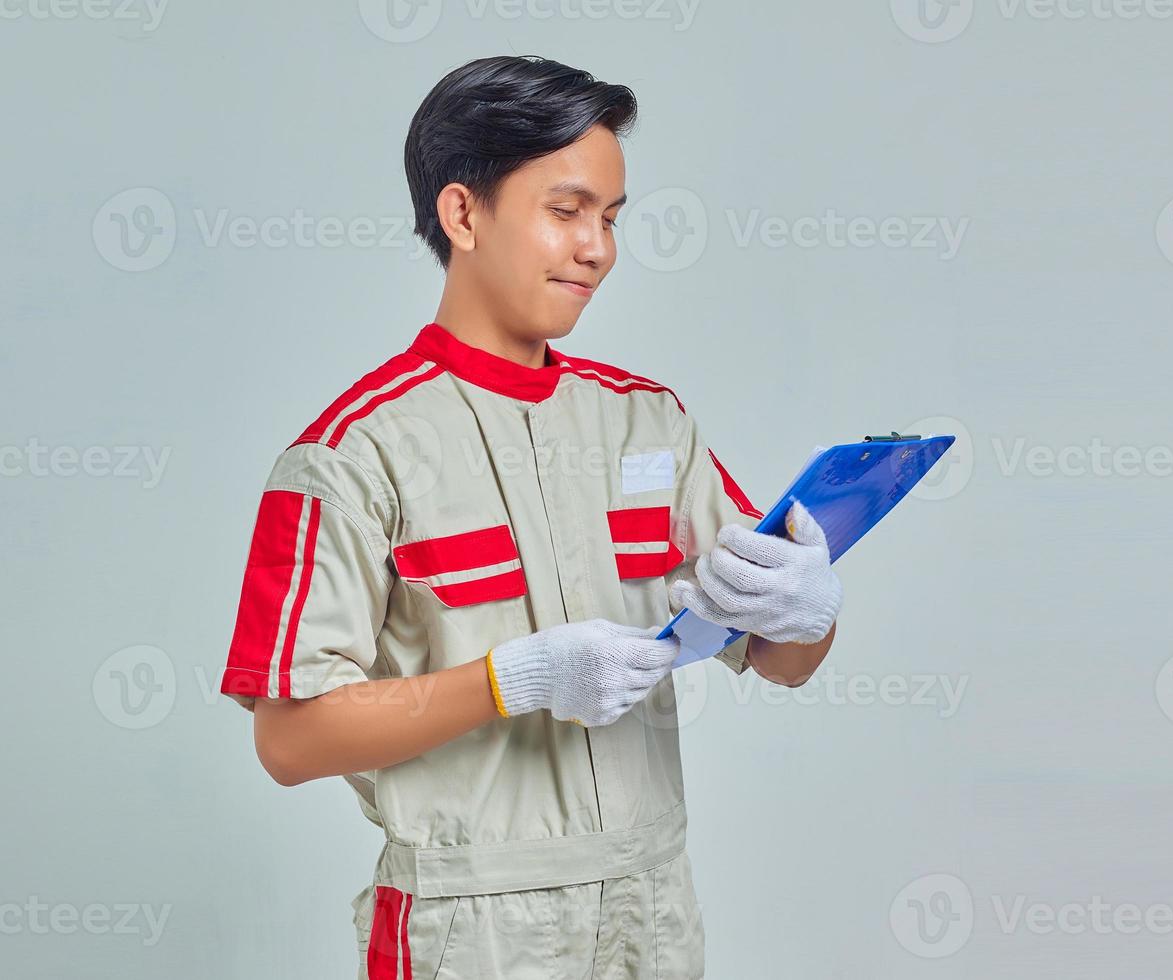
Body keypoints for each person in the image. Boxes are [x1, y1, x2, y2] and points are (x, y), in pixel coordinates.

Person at [219, 55, 842, 979]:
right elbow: (289, 739)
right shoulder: (351, 454)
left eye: (611, 218)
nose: (598, 247)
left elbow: (781, 661)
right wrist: (516, 679)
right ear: (463, 213)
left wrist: (811, 613)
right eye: (566, 211)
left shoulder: (651, 421)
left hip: (652, 906)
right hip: (472, 929)